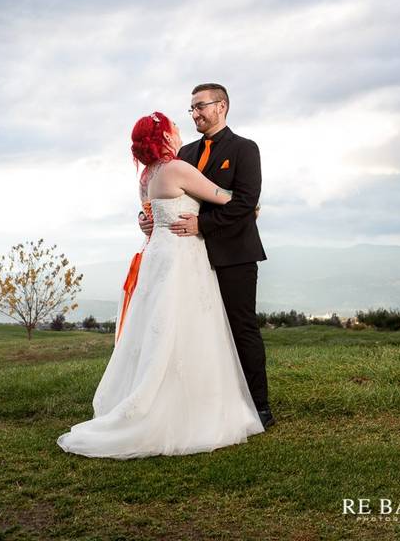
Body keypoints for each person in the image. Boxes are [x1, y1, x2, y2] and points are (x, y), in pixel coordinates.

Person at [56, 111, 264, 459]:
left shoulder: (147, 177)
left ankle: (153, 396)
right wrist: (251, 207)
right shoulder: (177, 169)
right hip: (183, 255)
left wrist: (145, 221)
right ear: (165, 137)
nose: (180, 130)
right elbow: (230, 199)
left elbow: (148, 216)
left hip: (158, 257)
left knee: (157, 329)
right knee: (190, 327)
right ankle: (193, 409)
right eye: (175, 127)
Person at [156, 83, 272, 428]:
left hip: (235, 255)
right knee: (198, 330)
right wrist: (149, 217)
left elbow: (245, 202)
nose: (194, 114)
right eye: (191, 109)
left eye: (200, 106)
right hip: (189, 259)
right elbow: (173, 197)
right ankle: (205, 403)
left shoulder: (244, 149)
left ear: (221, 106)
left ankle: (259, 405)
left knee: (242, 328)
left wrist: (202, 225)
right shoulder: (185, 154)